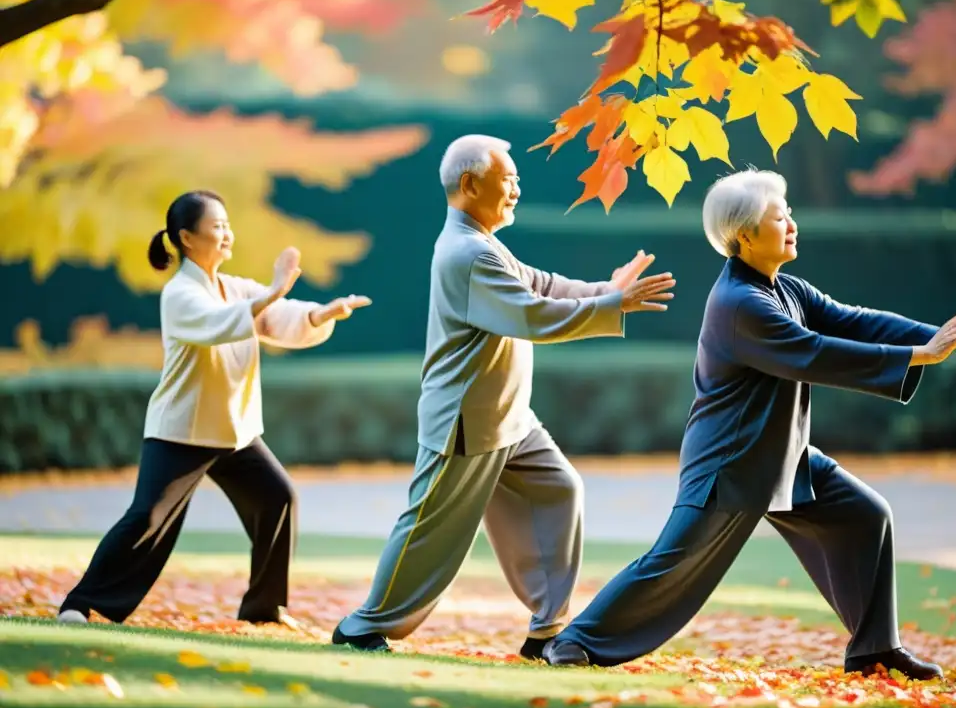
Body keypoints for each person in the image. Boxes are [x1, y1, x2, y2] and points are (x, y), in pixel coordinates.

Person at [542, 169, 956, 681]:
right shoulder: (741, 304)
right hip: (730, 465)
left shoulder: (785, 288)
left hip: (784, 457)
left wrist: (937, 336)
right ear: (746, 236)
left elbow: (851, 320)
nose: (791, 223)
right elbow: (814, 354)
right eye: (780, 217)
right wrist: (918, 355)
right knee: (671, 564)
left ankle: (874, 649)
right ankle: (574, 641)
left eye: (789, 212)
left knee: (865, 515)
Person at [331, 134, 677, 658]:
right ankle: (363, 625)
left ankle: (546, 631)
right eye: (508, 180)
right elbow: (534, 315)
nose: (517, 189)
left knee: (558, 489)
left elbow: (543, 285)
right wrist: (614, 305)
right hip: (466, 419)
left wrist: (607, 291)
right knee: (430, 529)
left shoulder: (482, 242)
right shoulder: (467, 252)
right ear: (470, 185)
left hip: (509, 417)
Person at [57, 190, 371, 627]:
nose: (227, 234)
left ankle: (265, 608)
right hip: (182, 431)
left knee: (277, 498)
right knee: (149, 517)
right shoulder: (180, 294)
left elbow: (273, 318)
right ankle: (80, 603)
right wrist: (277, 289)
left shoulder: (234, 286)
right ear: (186, 238)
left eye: (228, 225)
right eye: (217, 226)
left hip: (234, 431)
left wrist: (321, 315)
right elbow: (221, 325)